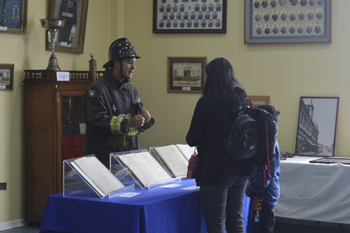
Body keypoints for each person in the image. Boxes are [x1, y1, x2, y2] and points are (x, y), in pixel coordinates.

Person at [186, 57, 253, 233]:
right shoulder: (242, 98)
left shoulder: (206, 102)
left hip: (215, 169)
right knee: (236, 220)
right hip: (241, 168)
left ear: (210, 76)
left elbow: (192, 138)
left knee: (216, 224)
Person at [84, 37, 155, 168]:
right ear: (116, 63)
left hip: (132, 161)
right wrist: (127, 123)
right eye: (129, 62)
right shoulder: (97, 89)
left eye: (134, 62)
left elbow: (135, 127)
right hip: (105, 164)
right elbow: (96, 121)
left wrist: (146, 120)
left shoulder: (131, 90)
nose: (134, 67)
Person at [246, 104, 281, 233]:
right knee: (256, 226)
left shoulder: (271, 144)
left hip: (265, 195)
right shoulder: (258, 141)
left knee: (264, 228)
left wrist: (251, 188)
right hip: (256, 193)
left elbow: (268, 172)